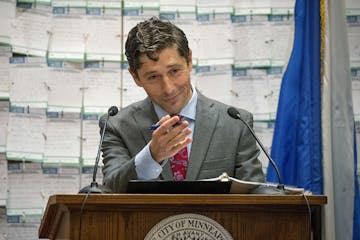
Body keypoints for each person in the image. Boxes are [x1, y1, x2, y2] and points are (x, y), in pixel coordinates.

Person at [100, 17, 265, 193]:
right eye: (153, 77)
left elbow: (255, 195)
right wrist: (151, 156)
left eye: (175, 71)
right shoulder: (117, 126)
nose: (168, 88)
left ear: (189, 60)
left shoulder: (236, 123)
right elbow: (110, 190)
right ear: (136, 77)